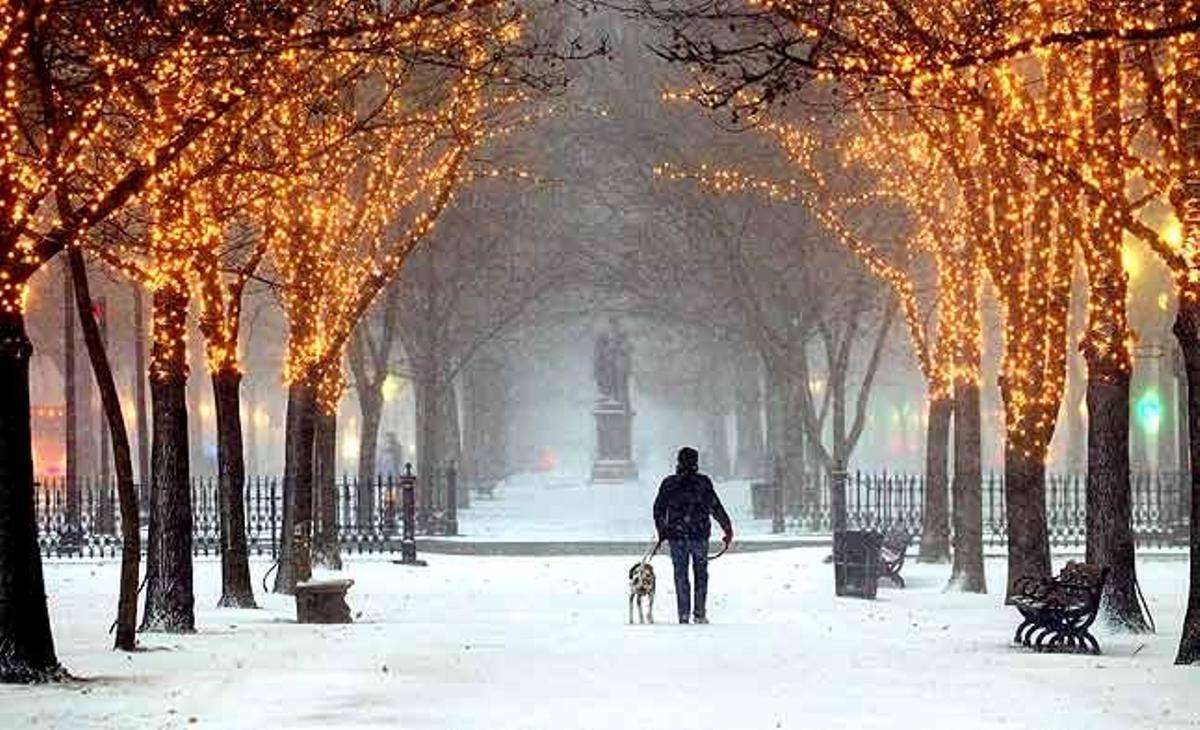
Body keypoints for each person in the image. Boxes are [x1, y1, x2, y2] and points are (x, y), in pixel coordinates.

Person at [653, 447, 733, 624]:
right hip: (699, 534)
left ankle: (683, 613)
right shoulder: (703, 483)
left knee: (680, 575)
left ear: (678, 462)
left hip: (677, 535)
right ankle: (699, 612)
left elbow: (658, 509)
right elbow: (715, 507)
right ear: (696, 463)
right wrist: (727, 528)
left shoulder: (669, 483)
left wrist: (662, 531)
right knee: (701, 574)